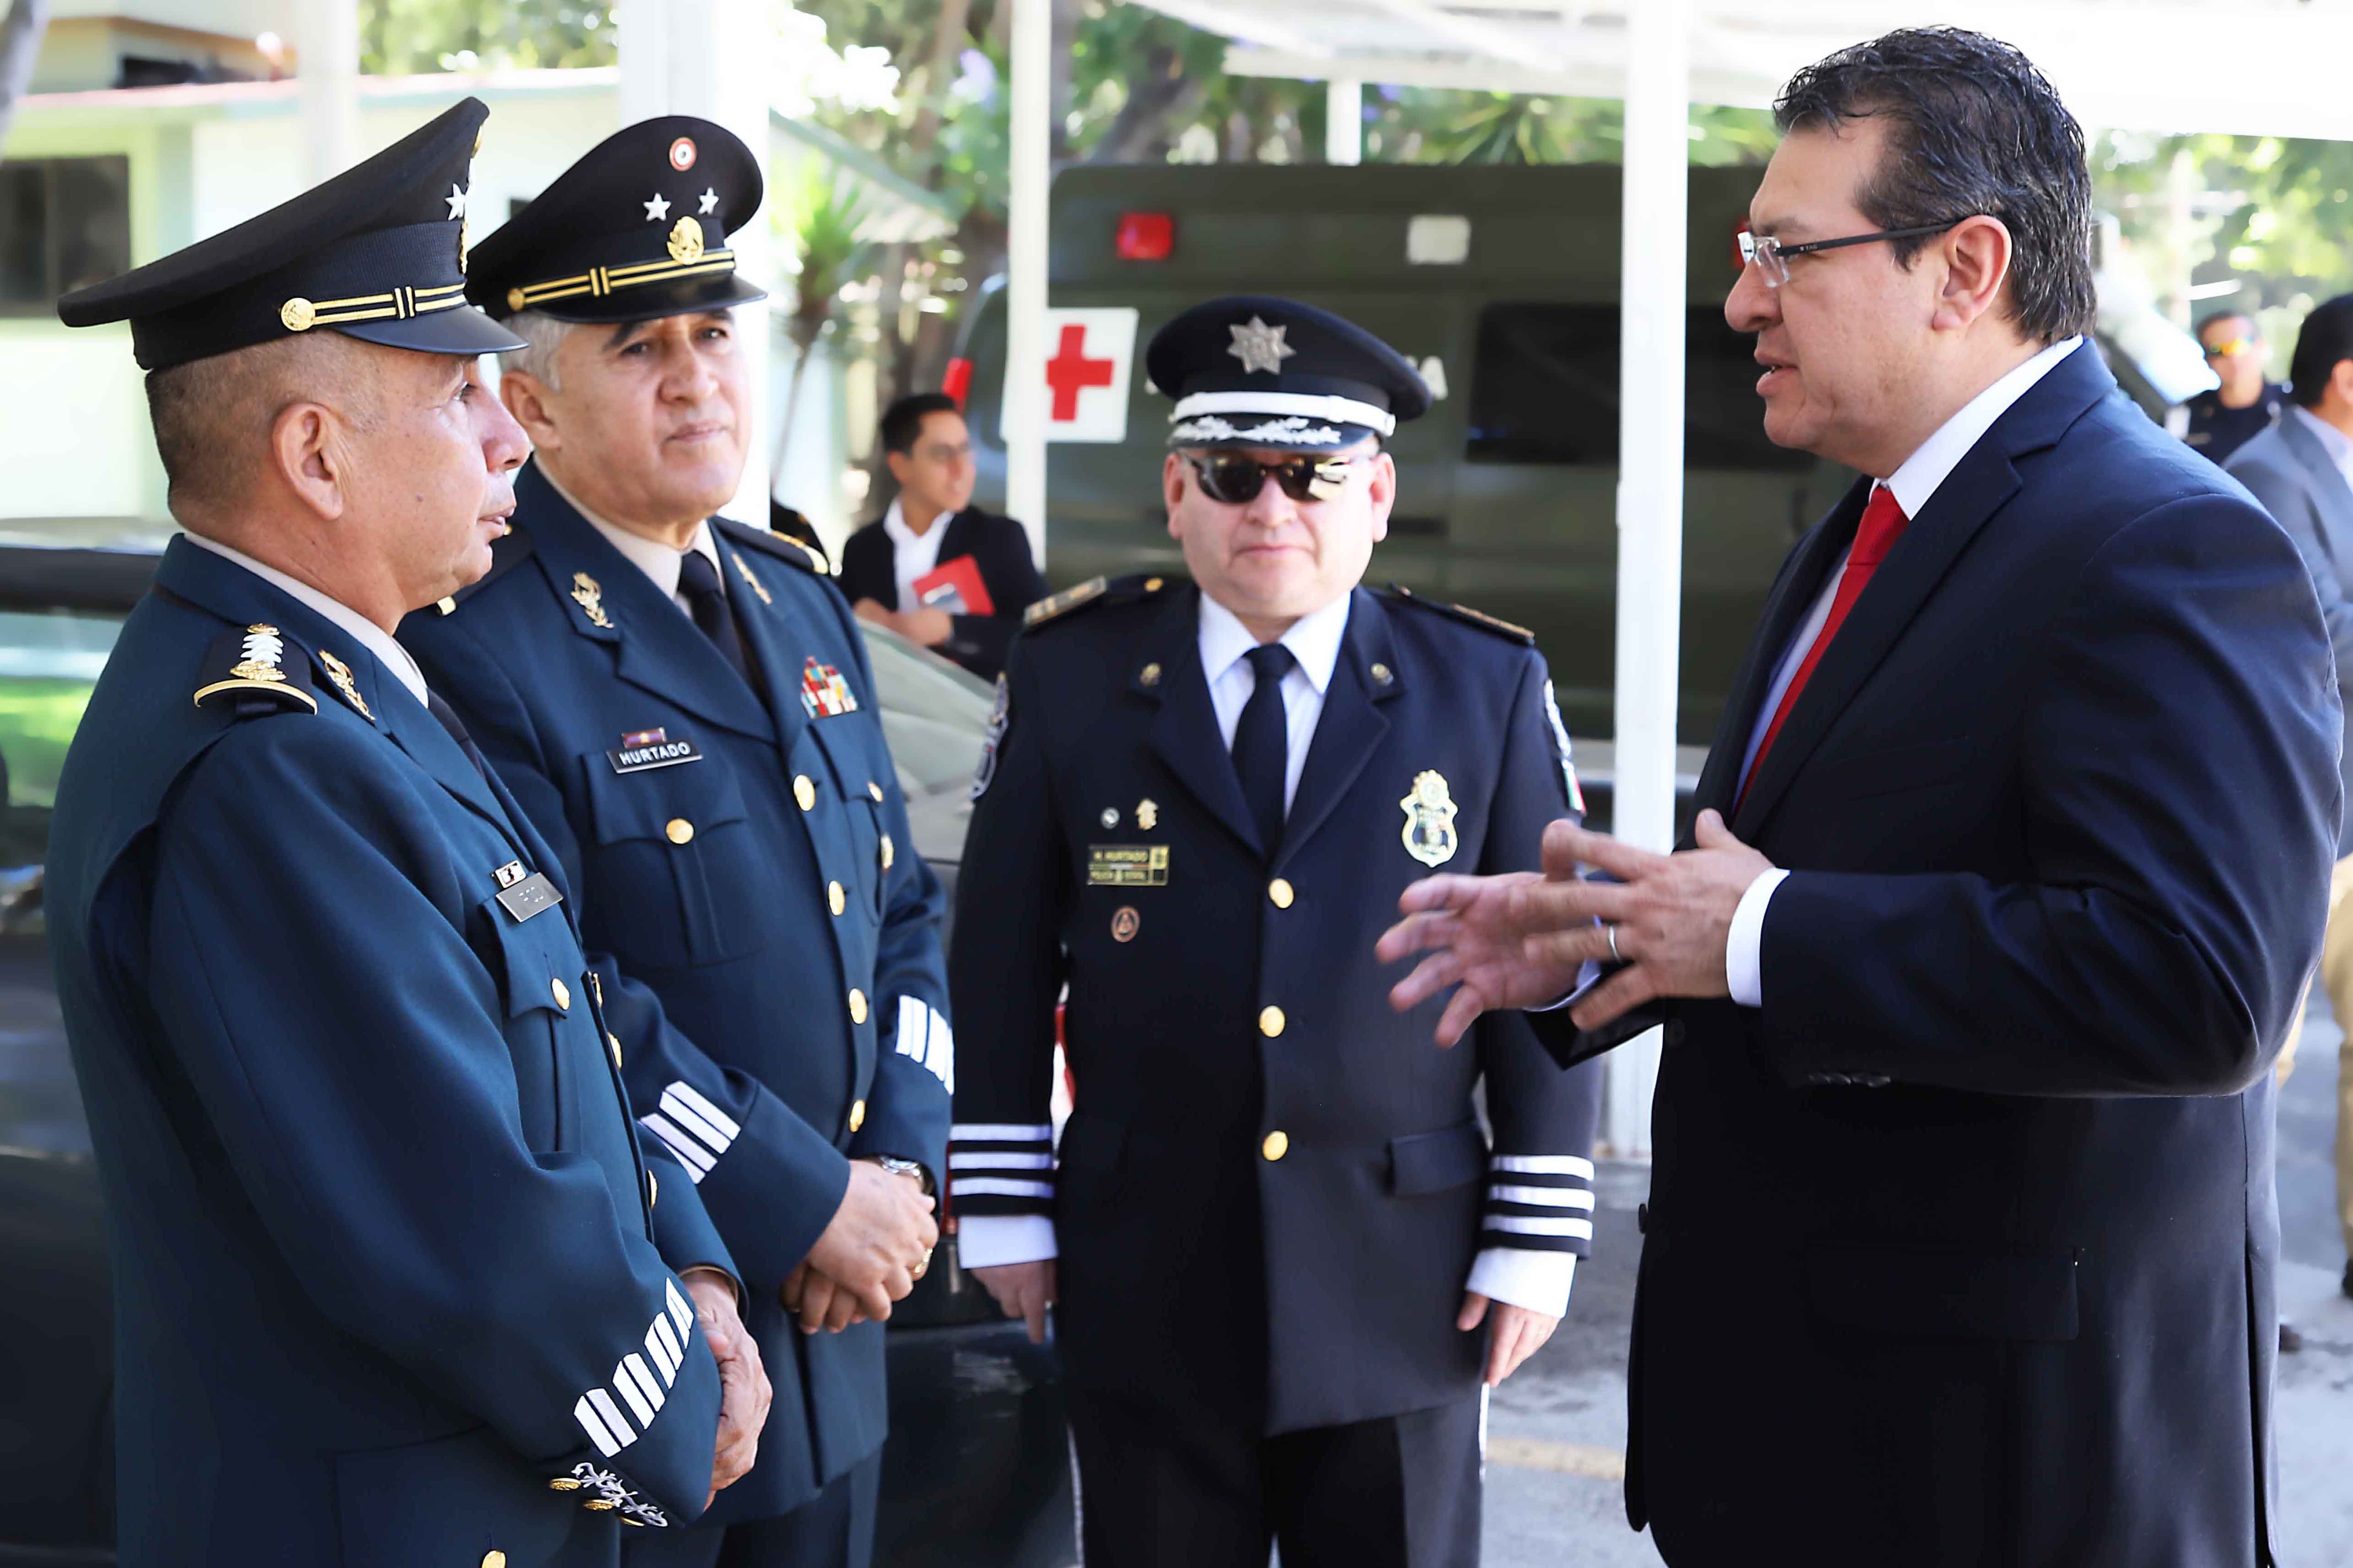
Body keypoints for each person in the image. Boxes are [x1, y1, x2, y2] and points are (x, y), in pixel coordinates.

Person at [1377, 29, 2338, 1568]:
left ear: (1964, 266)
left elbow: (2199, 985)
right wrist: (1625, 936)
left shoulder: (2161, 543)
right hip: (1810, 1441)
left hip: (2003, 1478)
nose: (1739, 298)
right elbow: (1817, 883)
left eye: (1782, 251)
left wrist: (1758, 936)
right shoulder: (1867, 523)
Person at [45, 99, 770, 1564]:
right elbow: (470, 1233)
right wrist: (679, 1403)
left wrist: (691, 1260)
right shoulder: (269, 767)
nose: (513, 432)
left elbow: (561, 1036)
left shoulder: (359, 686)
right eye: (459, 396)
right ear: (315, 456)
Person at [950, 295, 1603, 1568]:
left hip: (1405, 1274)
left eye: (1311, 474)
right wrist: (1006, 1202)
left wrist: (1536, 1223)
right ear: (1176, 489)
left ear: (1376, 493)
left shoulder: (1481, 686)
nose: (1271, 509)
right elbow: (1001, 954)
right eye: (1233, 474)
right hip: (1146, 1267)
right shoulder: (1073, 675)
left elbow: (1544, 963)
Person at [402, 116, 947, 1568]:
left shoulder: (798, 598)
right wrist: (800, 1198)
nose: (695, 374)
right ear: (532, 403)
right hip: (665, 1339)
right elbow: (556, 990)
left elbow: (899, 912)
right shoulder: (485, 642)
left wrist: (897, 1167)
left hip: (846, 1324)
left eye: (712, 332)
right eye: (639, 347)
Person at [2225, 292, 2353, 1325]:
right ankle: (2230, 1274)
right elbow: (2325, 636)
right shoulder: (2266, 478)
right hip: (2295, 821)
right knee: (2256, 1060)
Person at [837, 392, 1047, 680]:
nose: (960, 469)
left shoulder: (999, 539)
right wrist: (857, 621)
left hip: (976, 712)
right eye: (941, 455)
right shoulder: (863, 549)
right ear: (900, 465)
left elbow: (1040, 635)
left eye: (965, 450)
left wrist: (952, 629)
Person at [2184, 308, 2286, 465]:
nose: (2233, 357)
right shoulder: (2181, 417)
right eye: (2218, 350)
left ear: (2261, 347)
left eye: (2241, 345)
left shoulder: (2300, 406)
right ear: (2207, 360)